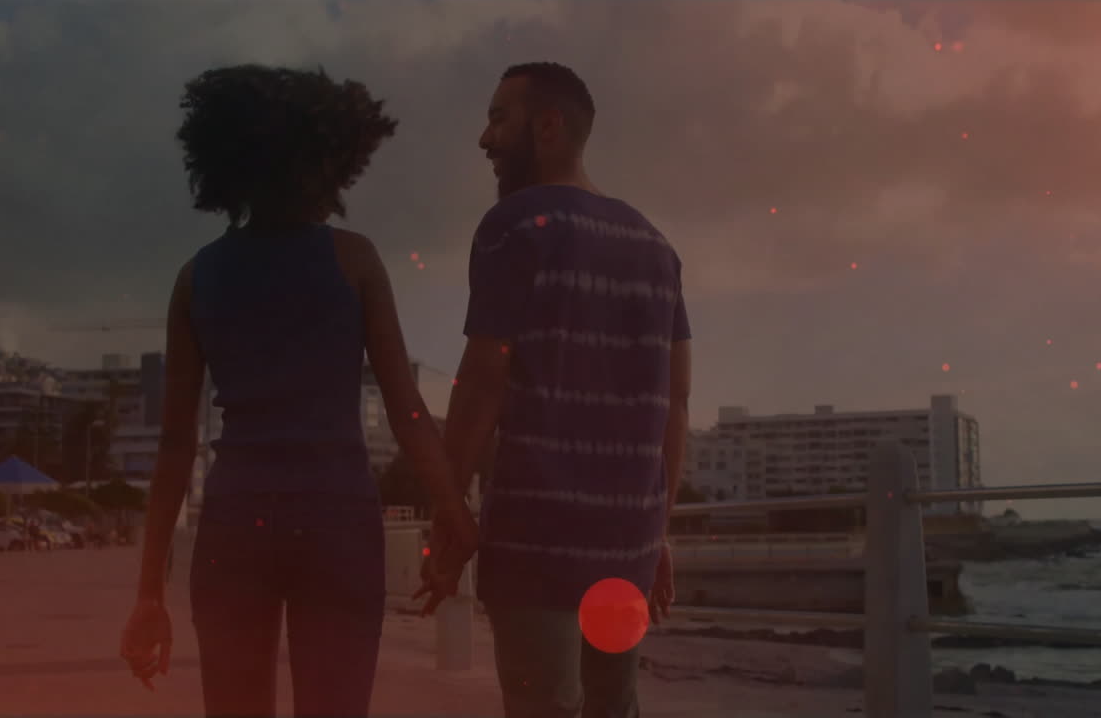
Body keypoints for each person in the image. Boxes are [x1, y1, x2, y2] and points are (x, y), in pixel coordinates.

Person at [119, 64, 478, 718]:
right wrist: (451, 506)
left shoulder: (195, 279)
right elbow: (408, 411)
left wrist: (149, 593)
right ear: (328, 163)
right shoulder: (355, 260)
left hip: (234, 524)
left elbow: (175, 444)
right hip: (337, 520)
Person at [419, 62, 693, 718]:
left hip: (536, 538)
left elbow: (484, 379)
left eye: (497, 119)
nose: (484, 140)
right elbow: (674, 405)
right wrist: (656, 530)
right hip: (624, 543)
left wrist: (448, 508)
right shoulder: (656, 247)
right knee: (612, 705)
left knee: (545, 706)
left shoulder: (515, 225)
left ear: (548, 126)